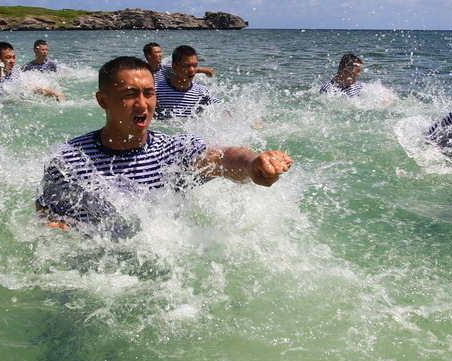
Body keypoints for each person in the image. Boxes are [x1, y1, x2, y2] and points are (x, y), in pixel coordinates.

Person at [35, 56, 292, 235]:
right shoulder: (69, 160)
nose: (143, 104)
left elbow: (220, 158)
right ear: (103, 100)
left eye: (149, 93)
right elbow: (47, 216)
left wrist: (251, 163)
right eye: (130, 95)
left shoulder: (173, 151)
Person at [0, 41, 65, 100]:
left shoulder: (18, 75)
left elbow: (34, 88)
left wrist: (55, 94)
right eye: (8, 57)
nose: (13, 61)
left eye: (14, 57)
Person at [154, 45, 220, 119]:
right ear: (174, 66)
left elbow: (221, 108)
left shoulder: (201, 92)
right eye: (186, 65)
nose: (192, 70)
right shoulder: (156, 90)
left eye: (195, 65)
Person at [143, 42, 215, 83]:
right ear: (148, 55)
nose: (160, 54)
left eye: (161, 52)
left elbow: (184, 69)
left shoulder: (165, 68)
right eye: (157, 52)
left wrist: (206, 71)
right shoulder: (141, 70)